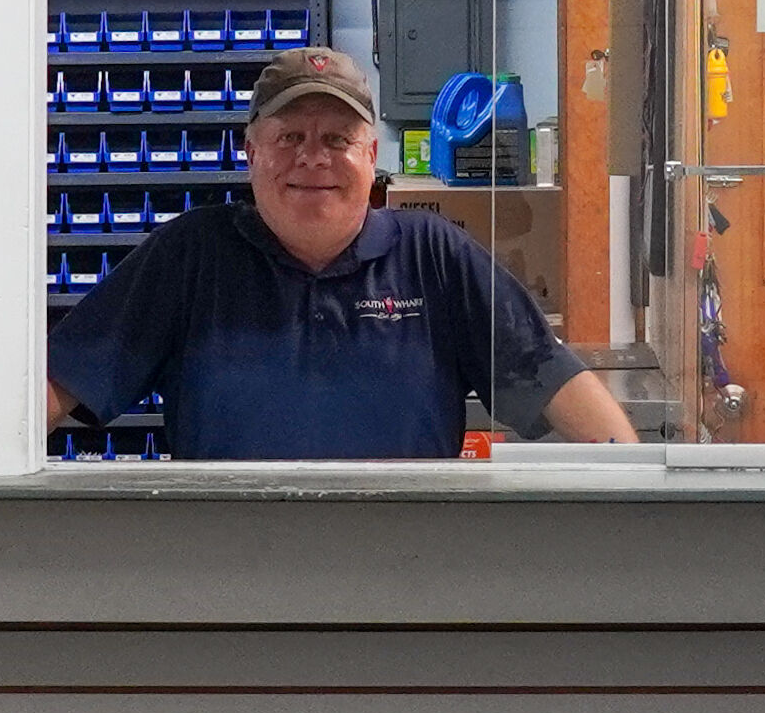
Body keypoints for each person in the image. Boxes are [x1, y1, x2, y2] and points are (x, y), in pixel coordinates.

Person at [47, 46, 639, 460]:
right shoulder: (191, 254)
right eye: (290, 137)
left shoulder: (434, 255)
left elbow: (558, 385)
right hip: (228, 571)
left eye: (337, 139)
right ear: (250, 153)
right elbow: (57, 384)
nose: (313, 158)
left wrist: (634, 501)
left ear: (370, 156)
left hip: (407, 573)